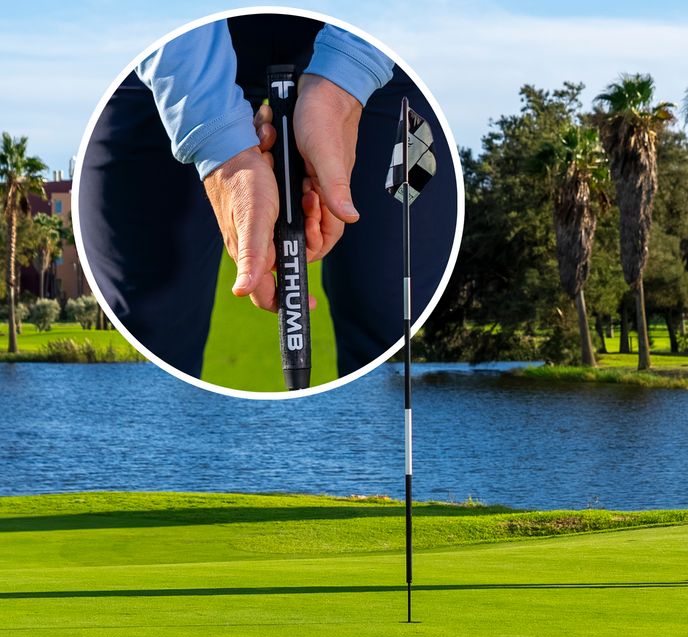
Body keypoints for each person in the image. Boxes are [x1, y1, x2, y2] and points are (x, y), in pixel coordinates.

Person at [79, 15, 457, 382]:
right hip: (167, 55)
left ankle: (368, 444)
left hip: (378, 48)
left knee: (393, 313)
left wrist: (346, 75)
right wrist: (217, 143)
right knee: (143, 327)